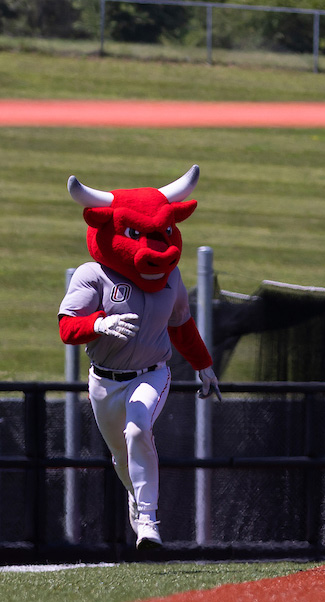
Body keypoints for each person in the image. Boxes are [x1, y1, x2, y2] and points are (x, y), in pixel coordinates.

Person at [57, 165, 221, 551]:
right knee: (120, 456)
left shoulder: (172, 278)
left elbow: (181, 326)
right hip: (103, 382)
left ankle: (148, 523)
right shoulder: (92, 274)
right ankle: (135, 495)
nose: (157, 246)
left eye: (163, 233)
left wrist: (203, 364)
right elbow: (67, 328)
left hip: (152, 374)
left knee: (137, 429)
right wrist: (97, 325)